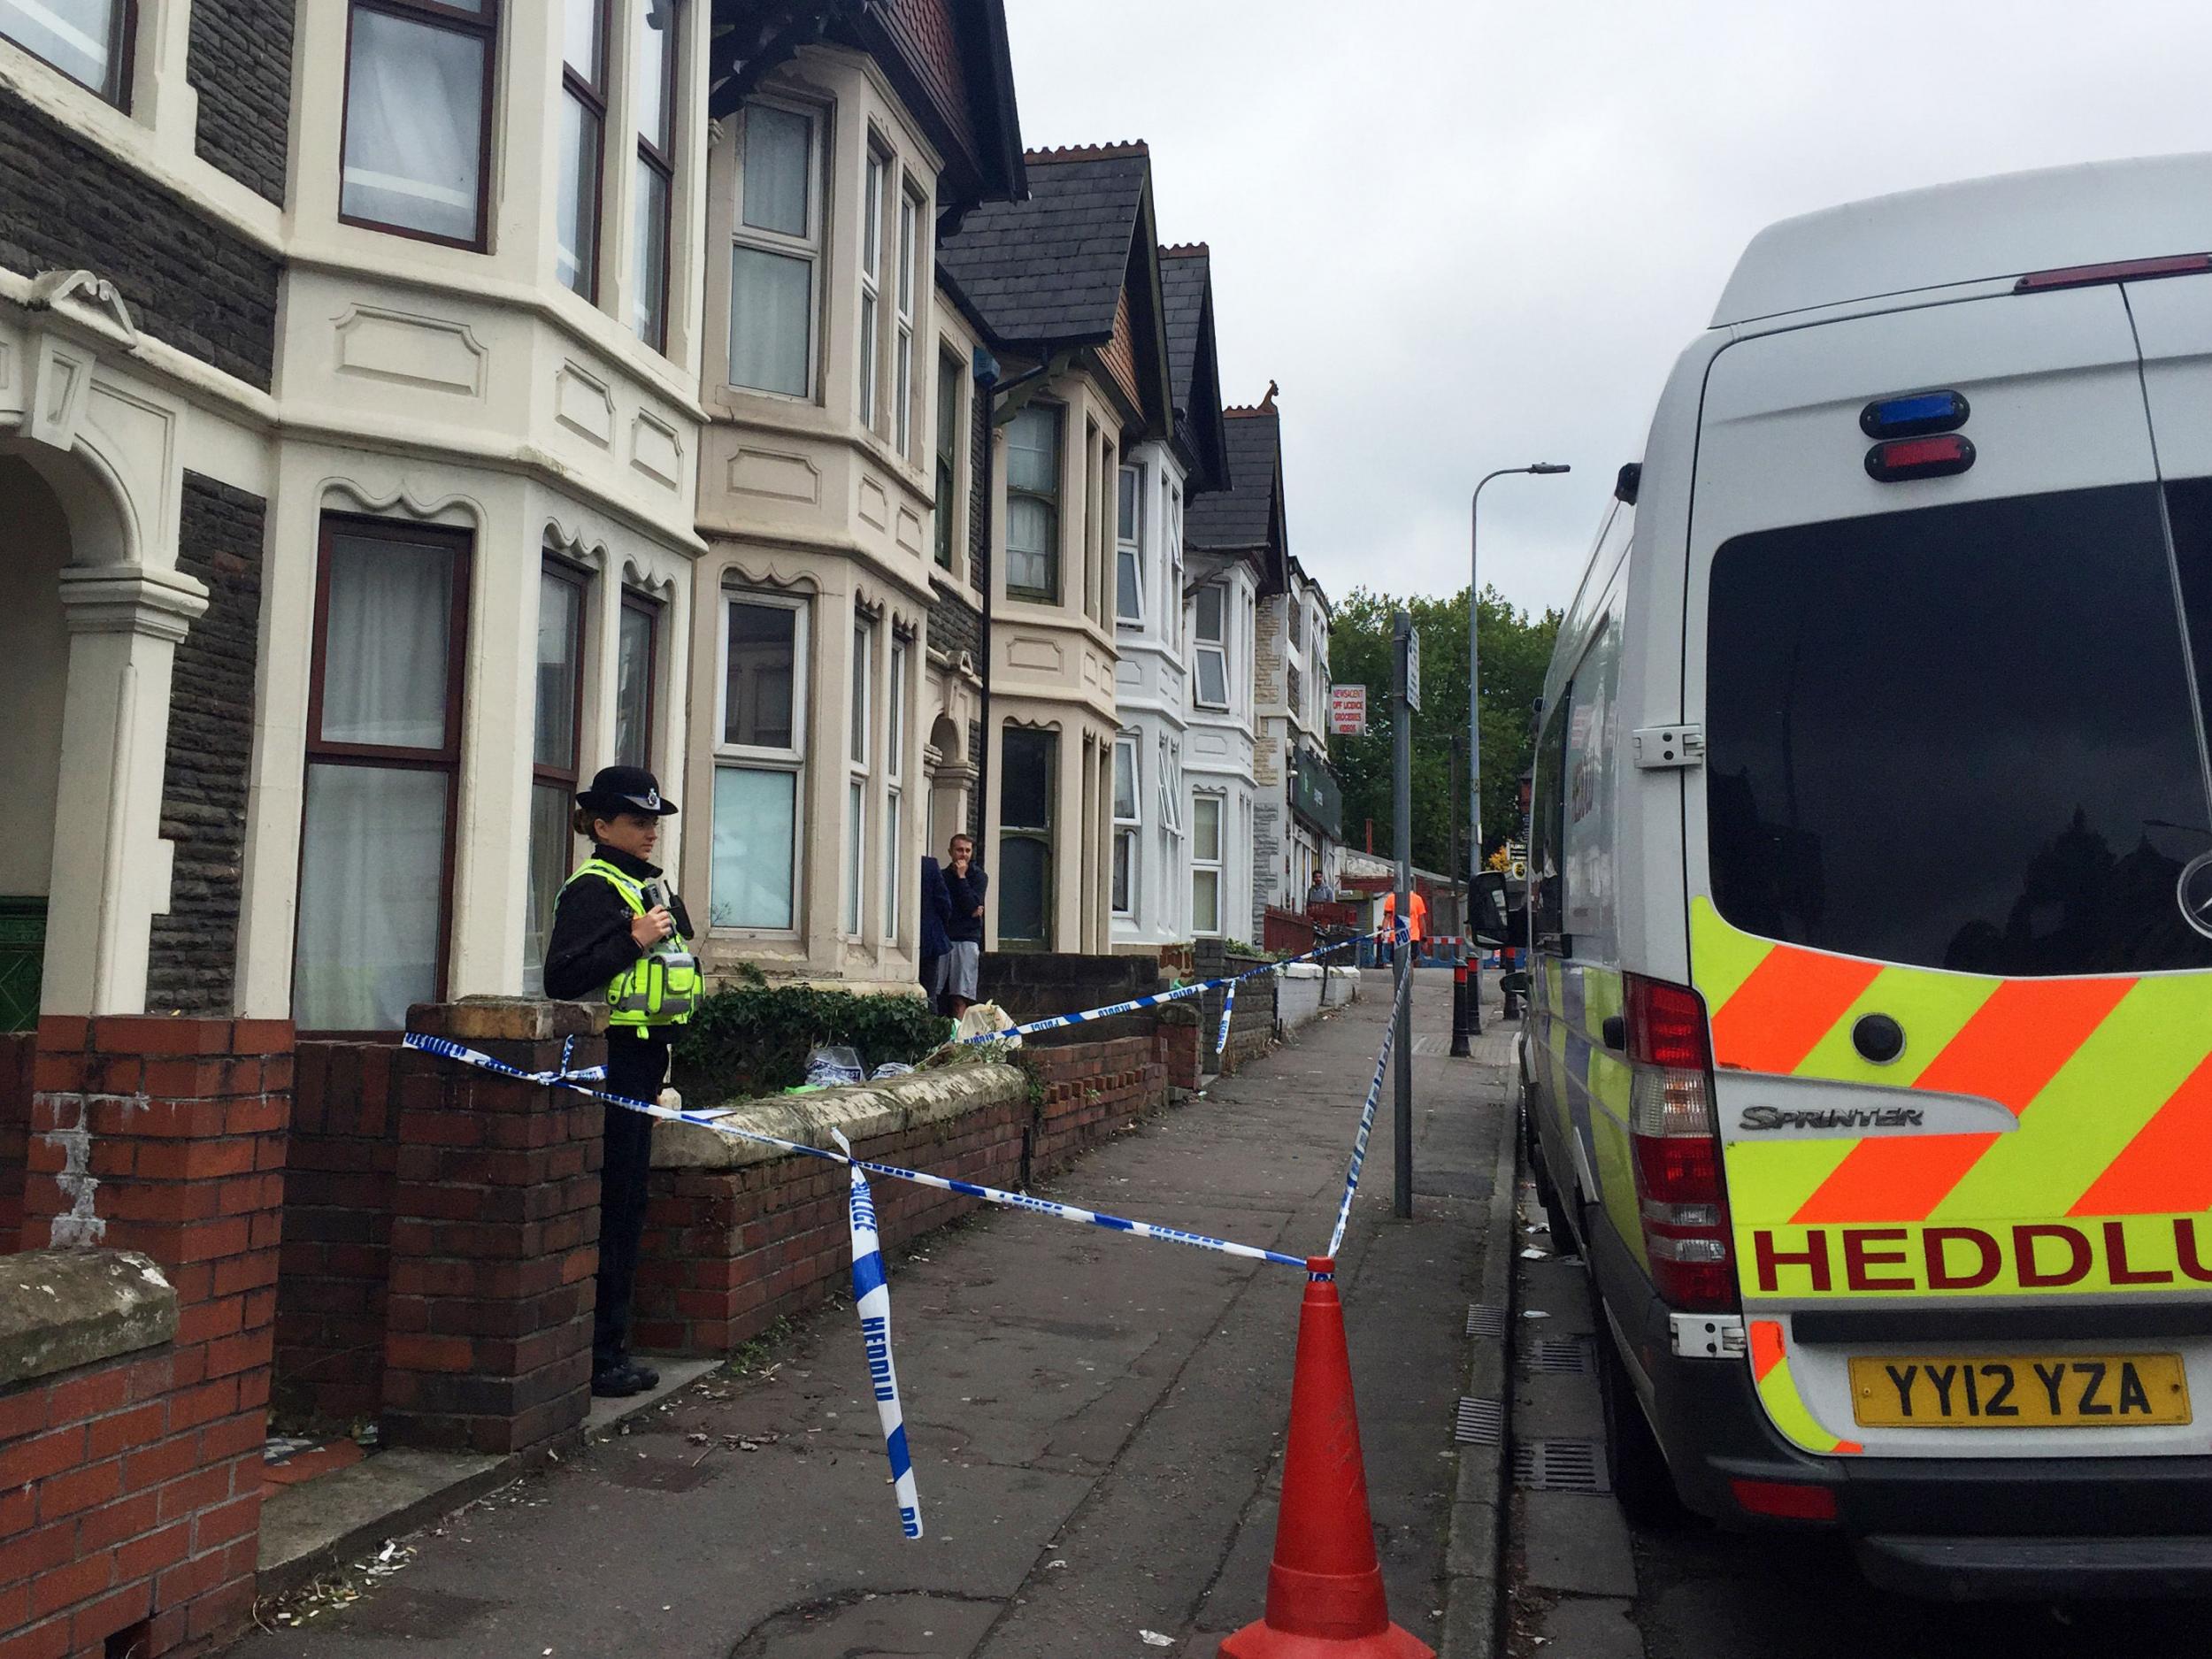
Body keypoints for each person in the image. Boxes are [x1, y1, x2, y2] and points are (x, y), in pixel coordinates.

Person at [543, 764, 697, 1400]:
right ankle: (602, 1356)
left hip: (646, 1061)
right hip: (611, 1064)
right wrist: (632, 938)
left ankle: (615, 1345)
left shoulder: (652, 885)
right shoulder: (594, 888)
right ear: (601, 824)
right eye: (637, 820)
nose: (649, 831)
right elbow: (562, 976)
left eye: (654, 820)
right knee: (613, 1206)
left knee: (631, 1204)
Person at [941, 833, 987, 1018]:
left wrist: (961, 878)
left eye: (968, 851)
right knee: (937, 991)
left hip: (967, 938)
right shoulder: (942, 876)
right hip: (945, 936)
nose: (964, 855)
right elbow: (944, 906)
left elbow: (972, 905)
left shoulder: (979, 877)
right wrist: (969, 909)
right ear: (951, 852)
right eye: (959, 850)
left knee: (961, 995)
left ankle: (959, 1038)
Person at [918, 853, 953, 1014]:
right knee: (929, 992)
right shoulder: (930, 865)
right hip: (929, 937)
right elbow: (944, 903)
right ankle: (930, 1031)